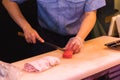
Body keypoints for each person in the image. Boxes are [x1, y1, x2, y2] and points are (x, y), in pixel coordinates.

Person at [2, 0, 106, 55]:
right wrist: (26, 27)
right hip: (47, 38)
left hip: (80, 36)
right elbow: (8, 1)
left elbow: (90, 14)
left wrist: (79, 38)